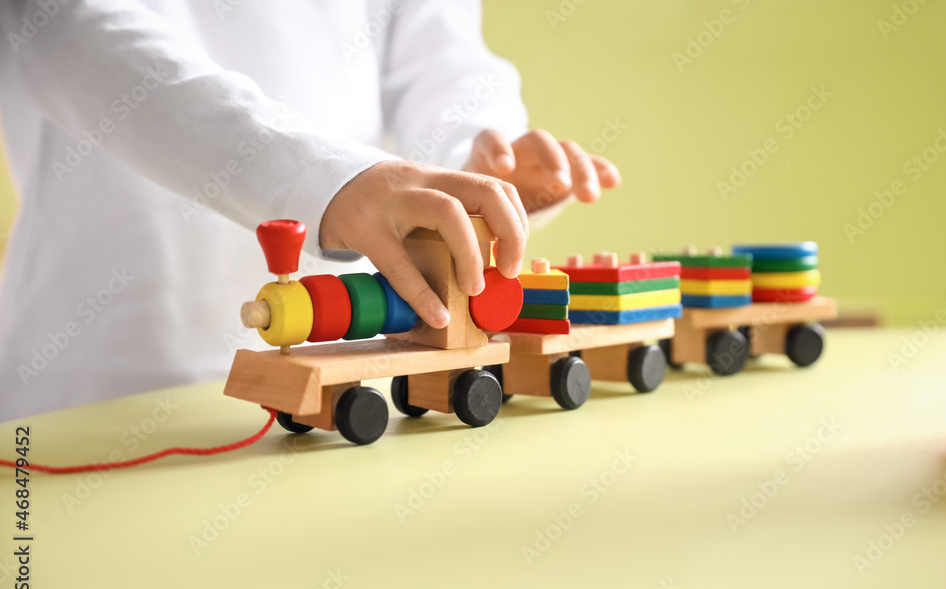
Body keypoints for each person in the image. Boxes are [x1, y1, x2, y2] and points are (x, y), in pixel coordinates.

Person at [0, 0, 620, 421]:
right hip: (96, 377)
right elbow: (60, 27)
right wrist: (329, 182)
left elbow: (442, 57)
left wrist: (473, 159)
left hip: (360, 370)